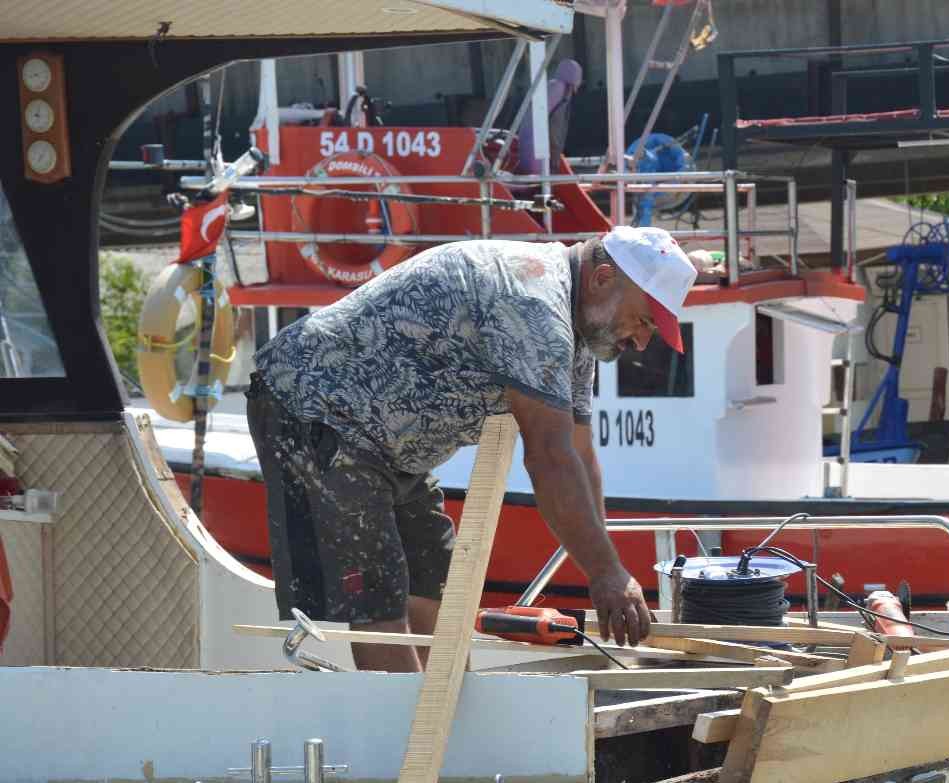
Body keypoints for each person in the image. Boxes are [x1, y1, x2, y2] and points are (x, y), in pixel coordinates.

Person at [246, 226, 697, 671]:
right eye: (643, 321)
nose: (641, 341)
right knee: (379, 599)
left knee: (438, 586)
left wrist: (609, 567)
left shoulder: (577, 329)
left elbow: (580, 454)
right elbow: (549, 457)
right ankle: (410, 733)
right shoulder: (534, 306)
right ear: (602, 278)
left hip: (385, 442)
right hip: (311, 407)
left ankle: (445, 719)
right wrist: (604, 573)